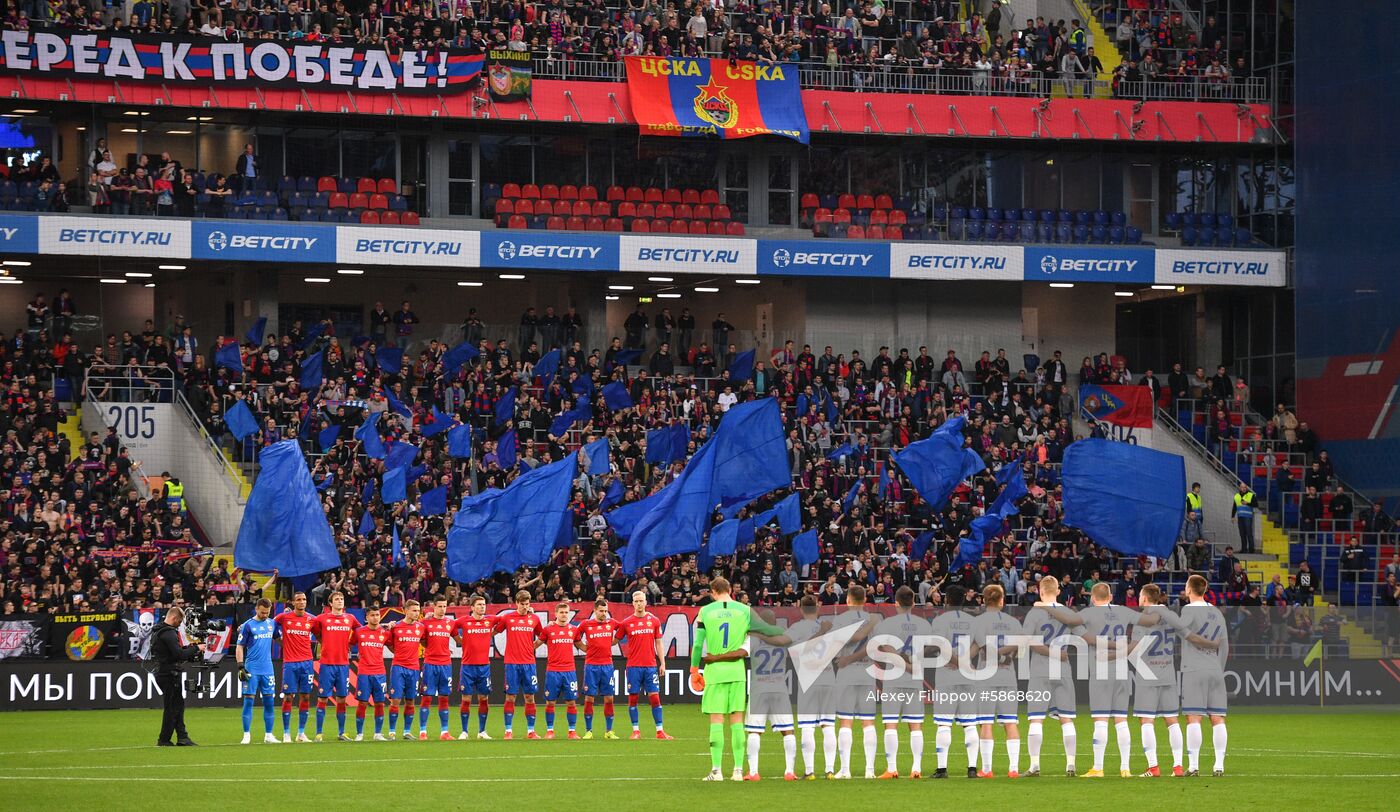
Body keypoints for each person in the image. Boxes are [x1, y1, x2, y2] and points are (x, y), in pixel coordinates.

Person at [1160, 574, 1230, 777]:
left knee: (1194, 718)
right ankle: (1218, 765)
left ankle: (1193, 765)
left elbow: (1178, 631)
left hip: (1194, 669)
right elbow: (1224, 646)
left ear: (1189, 590)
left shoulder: (1189, 610)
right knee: (1217, 718)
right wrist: (1219, 667)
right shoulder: (1216, 612)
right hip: (1215, 669)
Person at [873, 586, 931, 779]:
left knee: (890, 723)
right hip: (914, 678)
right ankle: (916, 768)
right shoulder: (924, 624)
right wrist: (914, 663)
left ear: (895, 603)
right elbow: (930, 648)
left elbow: (886, 649)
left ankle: (892, 768)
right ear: (914, 602)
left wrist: (903, 664)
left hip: (894, 677)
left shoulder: (887, 623)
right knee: (915, 725)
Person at [1024, 576, 1078, 777]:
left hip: (1040, 670)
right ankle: (1070, 765)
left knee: (1036, 719)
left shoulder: (1034, 612)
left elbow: (1029, 641)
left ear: (1040, 591)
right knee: (1067, 718)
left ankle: (1035, 765)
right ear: (1058, 591)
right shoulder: (1067, 612)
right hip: (1063, 668)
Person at [971, 584, 1023, 778]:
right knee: (1010, 723)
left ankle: (986, 769)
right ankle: (1014, 769)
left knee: (986, 723)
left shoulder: (978, 622)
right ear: (1002, 600)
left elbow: (980, 648)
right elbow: (1019, 647)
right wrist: (1007, 657)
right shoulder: (1013, 622)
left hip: (986, 675)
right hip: (1008, 675)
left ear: (984, 600)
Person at [742, 606, 798, 780]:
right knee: (788, 730)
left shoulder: (752, 639)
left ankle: (753, 772)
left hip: (759, 686)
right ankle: (789, 771)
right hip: (780, 686)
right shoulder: (783, 637)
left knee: (754, 731)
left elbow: (741, 653)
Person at [929, 586, 979, 779]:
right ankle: (972, 768)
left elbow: (940, 645)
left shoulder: (941, 620)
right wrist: (965, 662)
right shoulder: (973, 621)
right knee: (970, 723)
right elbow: (979, 643)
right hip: (968, 676)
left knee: (944, 724)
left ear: (947, 600)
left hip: (947, 675)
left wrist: (958, 662)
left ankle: (942, 769)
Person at [833, 584, 881, 779]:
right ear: (865, 601)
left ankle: (845, 770)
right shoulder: (873, 620)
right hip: (867, 671)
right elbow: (876, 647)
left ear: (848, 600)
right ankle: (870, 770)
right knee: (868, 722)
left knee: (846, 721)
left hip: (847, 671)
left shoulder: (841, 619)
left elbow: (837, 643)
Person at [788, 595, 838, 779]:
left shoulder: (797, 628)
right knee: (828, 725)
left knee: (808, 726)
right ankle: (830, 770)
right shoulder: (828, 626)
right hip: (828, 678)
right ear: (817, 608)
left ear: (800, 609)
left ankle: (809, 771)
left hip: (809, 680)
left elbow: (796, 650)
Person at [615, 590, 673, 740]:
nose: (639, 604)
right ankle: (636, 731)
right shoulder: (626, 623)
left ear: (646, 602)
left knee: (655, 698)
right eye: (636, 601)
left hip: (650, 666)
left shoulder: (654, 621)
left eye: (641, 601)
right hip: (633, 666)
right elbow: (614, 641)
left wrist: (663, 664)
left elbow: (658, 643)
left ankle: (660, 731)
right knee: (633, 698)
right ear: (632, 603)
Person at [493, 590, 545, 739]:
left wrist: (532, 647)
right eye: (522, 604)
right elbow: (494, 632)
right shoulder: (508, 618)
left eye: (527, 604)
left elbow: (543, 635)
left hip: (529, 663)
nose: (524, 607)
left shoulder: (534, 618)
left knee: (530, 697)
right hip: (512, 663)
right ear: (516, 603)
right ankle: (508, 731)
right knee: (511, 697)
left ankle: (531, 731)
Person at [310, 591, 360, 742]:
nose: (340, 601)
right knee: (323, 699)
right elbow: (314, 631)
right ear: (330, 603)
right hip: (326, 664)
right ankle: (319, 733)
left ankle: (341, 732)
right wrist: (323, 642)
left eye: (342, 599)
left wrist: (350, 644)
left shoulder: (350, 618)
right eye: (337, 599)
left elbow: (360, 631)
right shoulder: (321, 618)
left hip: (343, 665)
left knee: (341, 699)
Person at [152, 605, 202, 746]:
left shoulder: (159, 630)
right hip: (169, 674)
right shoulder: (169, 633)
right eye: (179, 622)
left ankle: (181, 737)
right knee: (173, 707)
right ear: (174, 618)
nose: (180, 625)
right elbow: (178, 654)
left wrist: (188, 649)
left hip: (164, 672)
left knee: (176, 706)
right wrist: (196, 648)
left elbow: (174, 652)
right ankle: (164, 739)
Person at [273, 591, 318, 742]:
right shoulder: (284, 617)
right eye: (298, 600)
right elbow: (269, 625)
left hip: (307, 663)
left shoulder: (312, 619)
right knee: (288, 697)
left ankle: (301, 733)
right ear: (293, 602)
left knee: (305, 696)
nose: (302, 602)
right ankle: (286, 733)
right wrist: (281, 642)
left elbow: (321, 634)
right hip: (290, 663)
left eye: (304, 599)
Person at [236, 597, 281, 745]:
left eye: (267, 613)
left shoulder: (272, 623)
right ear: (256, 609)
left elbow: (278, 640)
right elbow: (239, 646)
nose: (265, 615)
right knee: (248, 701)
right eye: (262, 613)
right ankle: (246, 735)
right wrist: (240, 666)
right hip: (252, 669)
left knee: (269, 701)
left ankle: (269, 735)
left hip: (268, 669)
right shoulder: (248, 626)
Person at [451, 595, 496, 739]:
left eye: (484, 604)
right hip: (468, 667)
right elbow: (449, 626)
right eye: (479, 604)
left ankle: (482, 731)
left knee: (484, 699)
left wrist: (529, 611)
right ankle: (464, 731)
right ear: (472, 607)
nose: (482, 607)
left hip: (484, 667)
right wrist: (459, 640)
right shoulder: (464, 621)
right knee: (466, 699)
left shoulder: (490, 620)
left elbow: (506, 620)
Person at [575, 598, 620, 739]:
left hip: (607, 665)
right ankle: (589, 731)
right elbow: (575, 637)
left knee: (609, 699)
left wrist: (613, 642)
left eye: (606, 611)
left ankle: (609, 731)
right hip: (591, 666)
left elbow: (623, 629)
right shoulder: (586, 624)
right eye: (601, 611)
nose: (604, 613)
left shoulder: (611, 623)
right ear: (594, 610)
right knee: (589, 699)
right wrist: (584, 648)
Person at [351, 604, 391, 741]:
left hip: (380, 673)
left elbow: (393, 646)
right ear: (367, 617)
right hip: (364, 673)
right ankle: (359, 734)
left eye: (377, 615)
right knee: (362, 703)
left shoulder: (385, 632)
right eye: (372, 615)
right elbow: (349, 644)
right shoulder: (359, 632)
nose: (375, 618)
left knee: (380, 703)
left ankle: (378, 733)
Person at [541, 602, 581, 739]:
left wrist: (597, 651)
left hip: (569, 671)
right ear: (556, 614)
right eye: (562, 612)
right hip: (553, 671)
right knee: (550, 702)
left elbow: (581, 645)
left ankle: (572, 731)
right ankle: (550, 731)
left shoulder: (574, 630)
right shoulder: (548, 629)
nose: (564, 615)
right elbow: (537, 643)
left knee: (571, 702)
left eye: (566, 612)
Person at [418, 596, 456, 740]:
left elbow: (457, 639)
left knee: (444, 698)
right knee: (427, 698)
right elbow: (420, 638)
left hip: (445, 664)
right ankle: (423, 732)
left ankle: (444, 732)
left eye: (445, 606)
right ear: (434, 606)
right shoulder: (425, 622)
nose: (442, 609)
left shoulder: (450, 623)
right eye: (440, 606)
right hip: (430, 664)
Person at [386, 600, 425, 739]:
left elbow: (425, 641)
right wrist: (399, 653)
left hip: (414, 668)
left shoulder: (421, 627)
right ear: (405, 611)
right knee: (395, 700)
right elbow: (389, 644)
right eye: (414, 610)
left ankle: (407, 731)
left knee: (410, 701)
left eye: (418, 610)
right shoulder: (395, 627)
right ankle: (392, 731)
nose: (416, 613)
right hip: (398, 668)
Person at [1231, 482, 1258, 553]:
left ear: (1246, 488)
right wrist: (1232, 516)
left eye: (1245, 487)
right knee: (1242, 533)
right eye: (1242, 487)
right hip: (1240, 517)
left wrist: (1247, 503)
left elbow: (1256, 504)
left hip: (1248, 517)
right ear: (1239, 488)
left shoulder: (1251, 495)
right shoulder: (1236, 496)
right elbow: (1234, 507)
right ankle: (1244, 549)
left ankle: (1251, 549)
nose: (1243, 488)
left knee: (1249, 533)